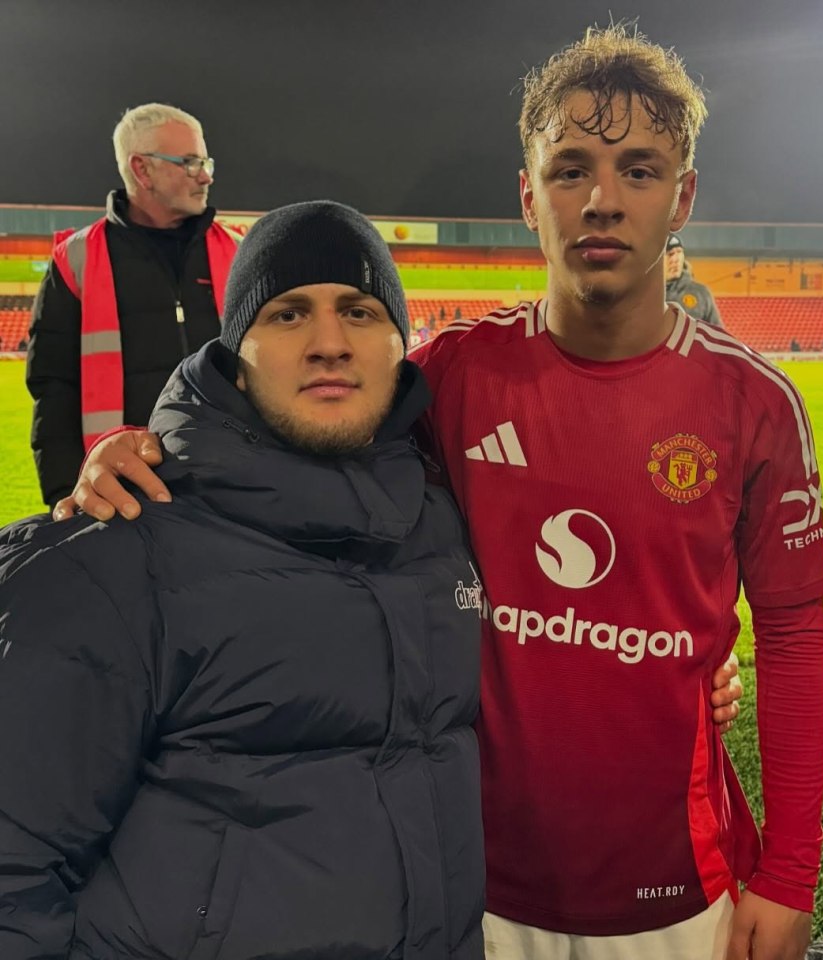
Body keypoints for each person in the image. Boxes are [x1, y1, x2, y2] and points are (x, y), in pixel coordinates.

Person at [58, 27, 795, 960]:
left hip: (659, 884)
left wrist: (779, 846)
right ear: (527, 194)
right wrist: (141, 447)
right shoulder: (454, 377)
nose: (602, 199)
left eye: (639, 170)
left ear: (682, 194)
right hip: (471, 881)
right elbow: (283, 432)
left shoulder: (746, 401)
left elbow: (786, 633)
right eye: (570, 169)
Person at [0, 202, 486, 958]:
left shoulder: (442, 524)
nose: (329, 343)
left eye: (359, 311)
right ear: (235, 350)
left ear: (401, 345)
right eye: (288, 314)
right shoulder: (116, 553)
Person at [25, 102, 240, 510]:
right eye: (191, 163)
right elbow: (53, 389)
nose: (206, 176)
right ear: (142, 170)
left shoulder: (238, 252)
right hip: (118, 494)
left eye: (206, 162)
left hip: (227, 488)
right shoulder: (75, 259)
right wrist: (65, 494)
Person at [665, 232, 724, 326]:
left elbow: (718, 335)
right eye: (670, 254)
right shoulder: (643, 294)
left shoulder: (701, 293)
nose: (676, 259)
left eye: (679, 252)